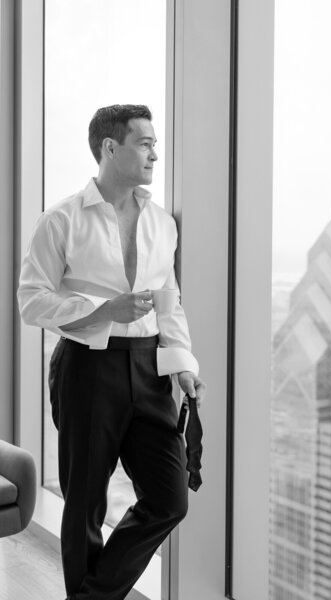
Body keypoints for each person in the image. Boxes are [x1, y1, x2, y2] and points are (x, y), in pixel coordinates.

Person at [17, 104, 206, 600]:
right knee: (84, 504)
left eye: (154, 144)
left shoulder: (162, 223)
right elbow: (30, 301)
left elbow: (170, 302)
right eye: (145, 144)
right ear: (110, 147)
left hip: (150, 371)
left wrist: (183, 364)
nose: (155, 155)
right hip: (86, 367)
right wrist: (106, 309)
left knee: (170, 498)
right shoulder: (61, 219)